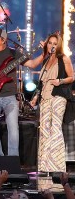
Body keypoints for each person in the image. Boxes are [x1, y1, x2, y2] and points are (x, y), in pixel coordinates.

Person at [0, 28, 45, 156]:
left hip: (10, 97)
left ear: (3, 40)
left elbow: (33, 64)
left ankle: (12, 161)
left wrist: (43, 53)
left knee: (13, 130)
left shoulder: (13, 53)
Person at [30, 33, 74, 173]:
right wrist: (36, 97)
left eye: (55, 44)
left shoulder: (63, 59)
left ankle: (56, 166)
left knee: (55, 129)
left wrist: (59, 81)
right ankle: (44, 166)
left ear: (58, 45)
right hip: (45, 97)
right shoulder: (46, 59)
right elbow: (42, 81)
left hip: (58, 97)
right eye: (50, 43)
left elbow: (72, 77)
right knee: (44, 130)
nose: (52, 46)